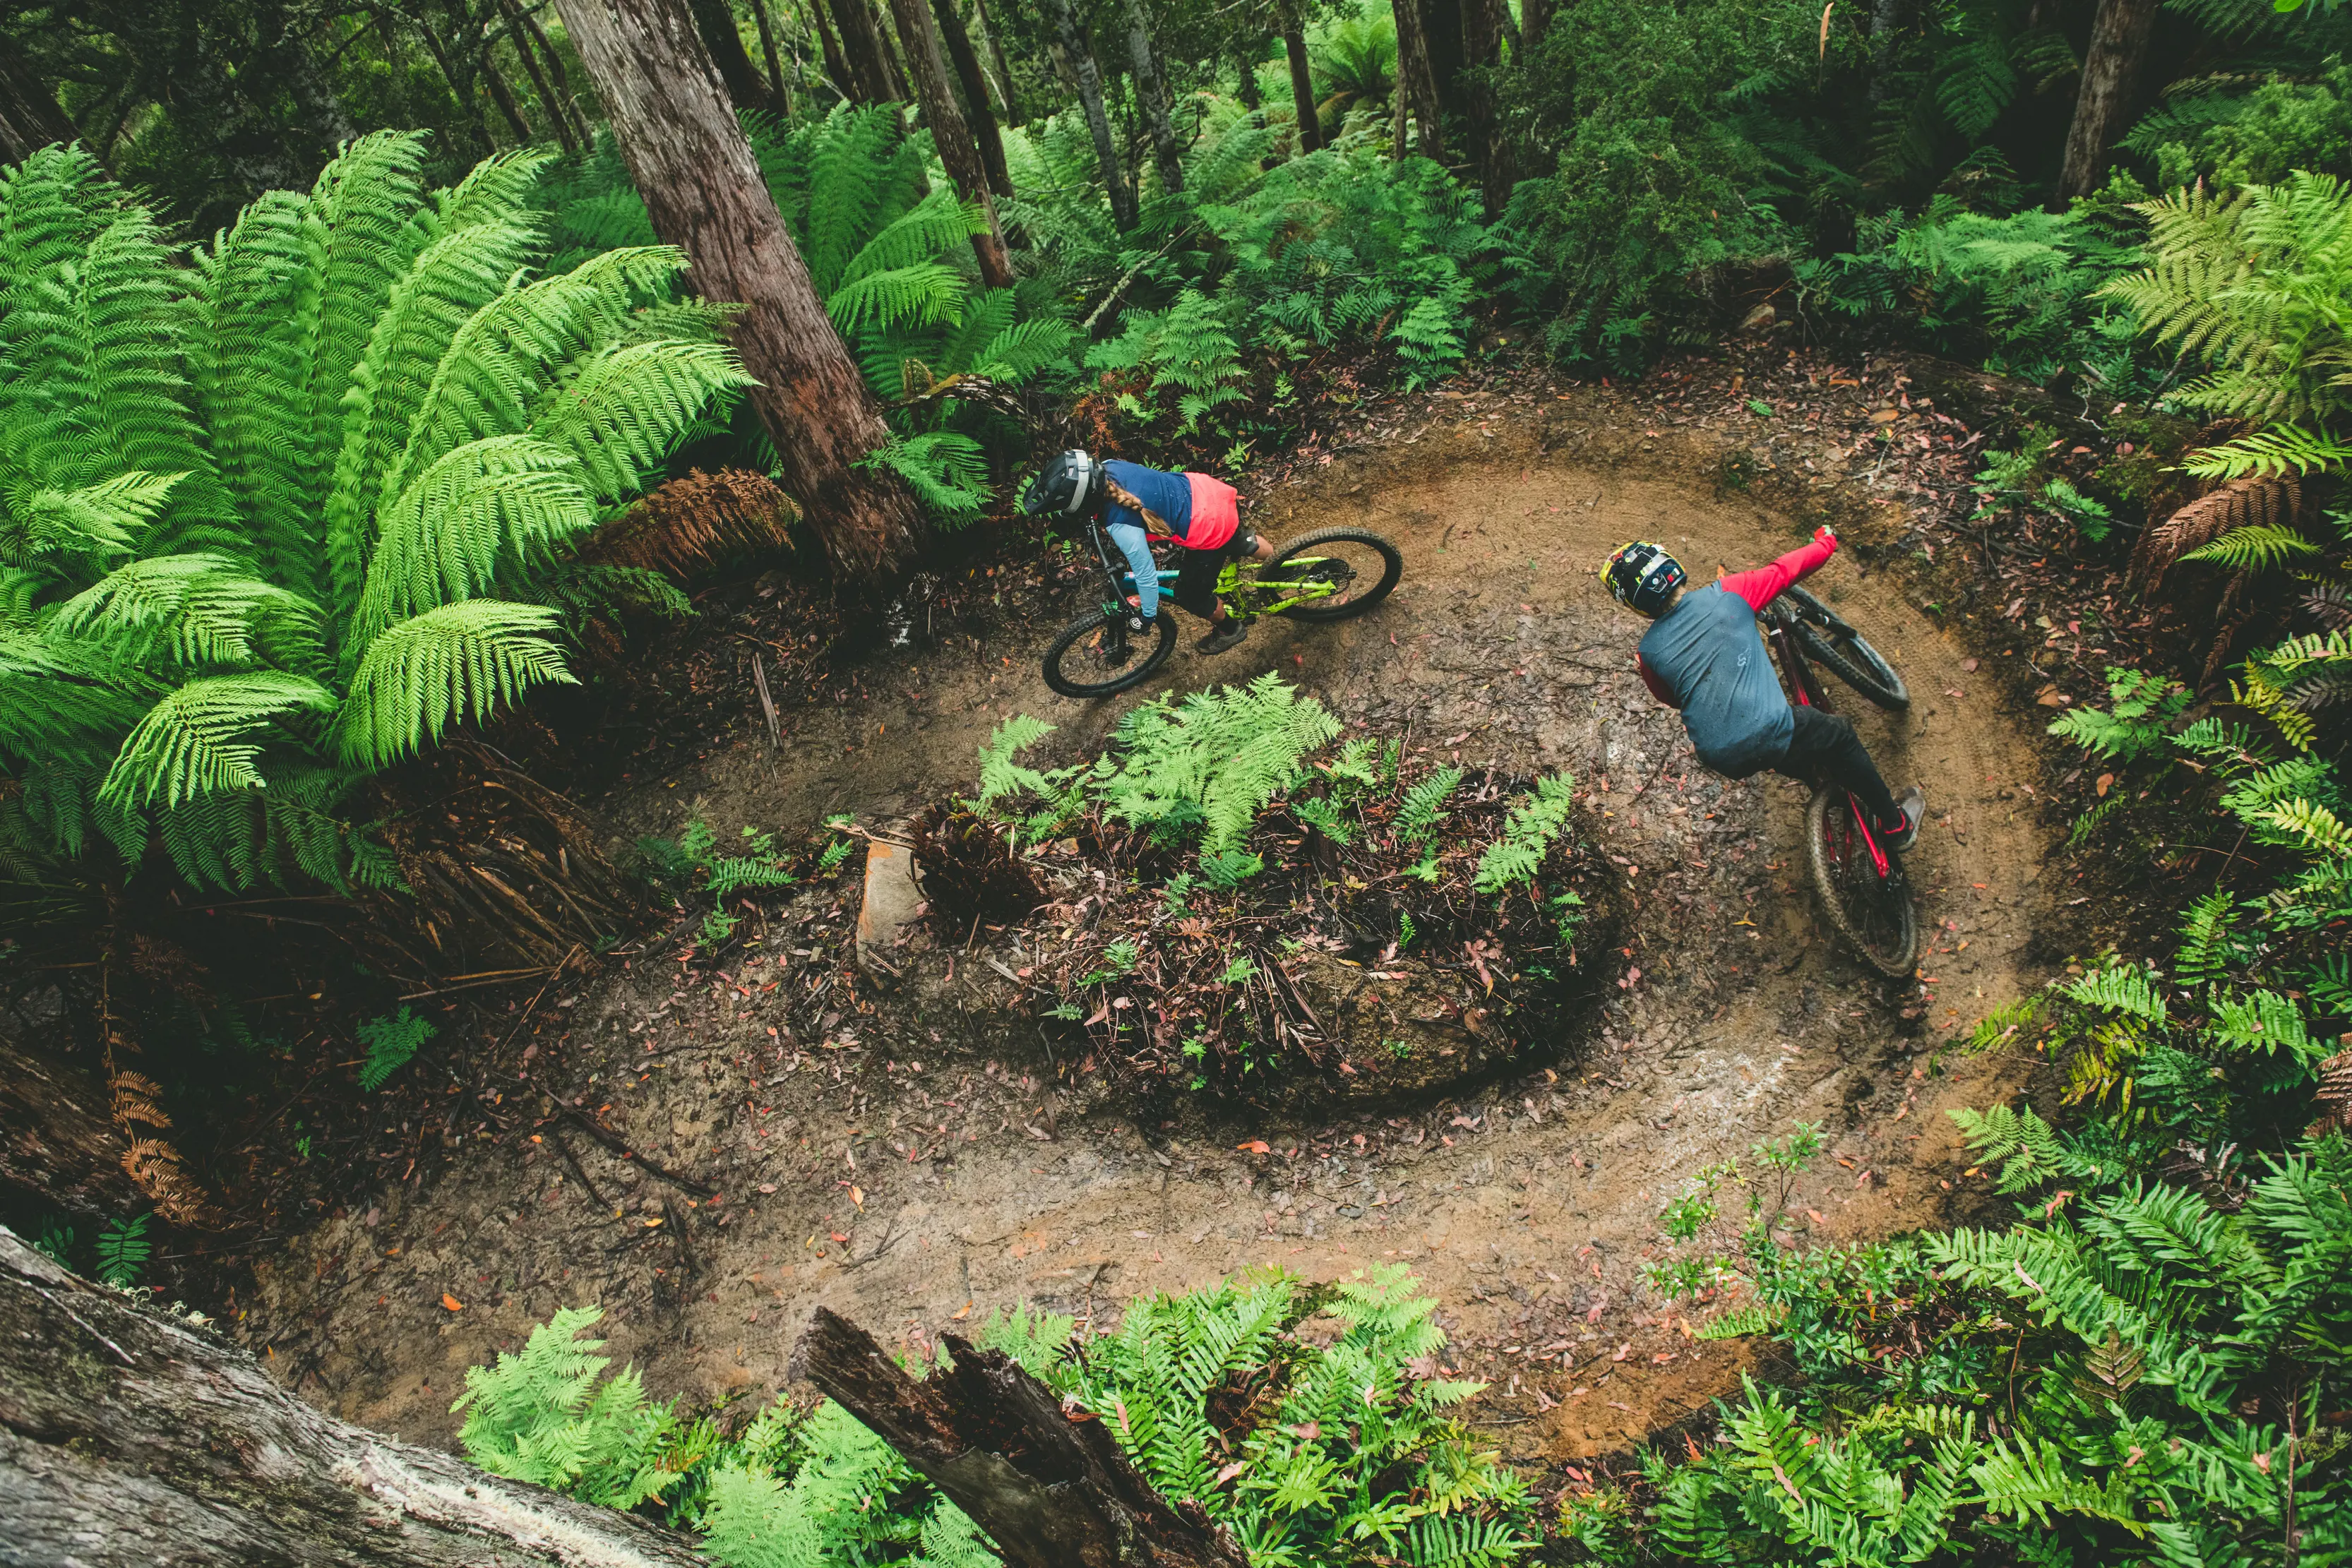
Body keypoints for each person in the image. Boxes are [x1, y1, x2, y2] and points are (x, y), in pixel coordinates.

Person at [1601, 529, 1926, 851]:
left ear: (1635, 605)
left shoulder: (1649, 653)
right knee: (1839, 734)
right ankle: (1896, 826)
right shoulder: (1728, 595)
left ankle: (1820, 781)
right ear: (1672, 566)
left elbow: (1670, 697)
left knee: (1781, 748)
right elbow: (1787, 570)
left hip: (1720, 756)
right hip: (1769, 728)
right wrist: (1825, 542)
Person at [1020, 449, 1275, 654]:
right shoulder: (1108, 466)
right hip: (1206, 492)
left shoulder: (1122, 525)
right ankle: (1280, 561)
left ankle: (1230, 630)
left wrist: (1148, 616)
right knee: (1236, 536)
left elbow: (1146, 574)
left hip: (1206, 525)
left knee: (1190, 595)